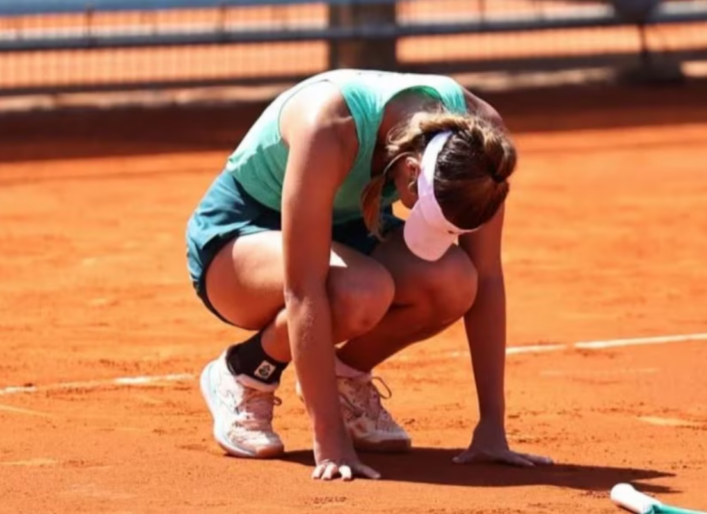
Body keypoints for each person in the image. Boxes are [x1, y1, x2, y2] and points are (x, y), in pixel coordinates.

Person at [185, 68, 552, 481]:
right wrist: (331, 442)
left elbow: (486, 278)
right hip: (239, 239)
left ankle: (345, 379)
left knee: (455, 282)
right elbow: (303, 289)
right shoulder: (328, 127)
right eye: (427, 214)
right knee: (361, 291)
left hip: (354, 230)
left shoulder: (484, 150)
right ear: (411, 171)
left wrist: (492, 427)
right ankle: (246, 371)